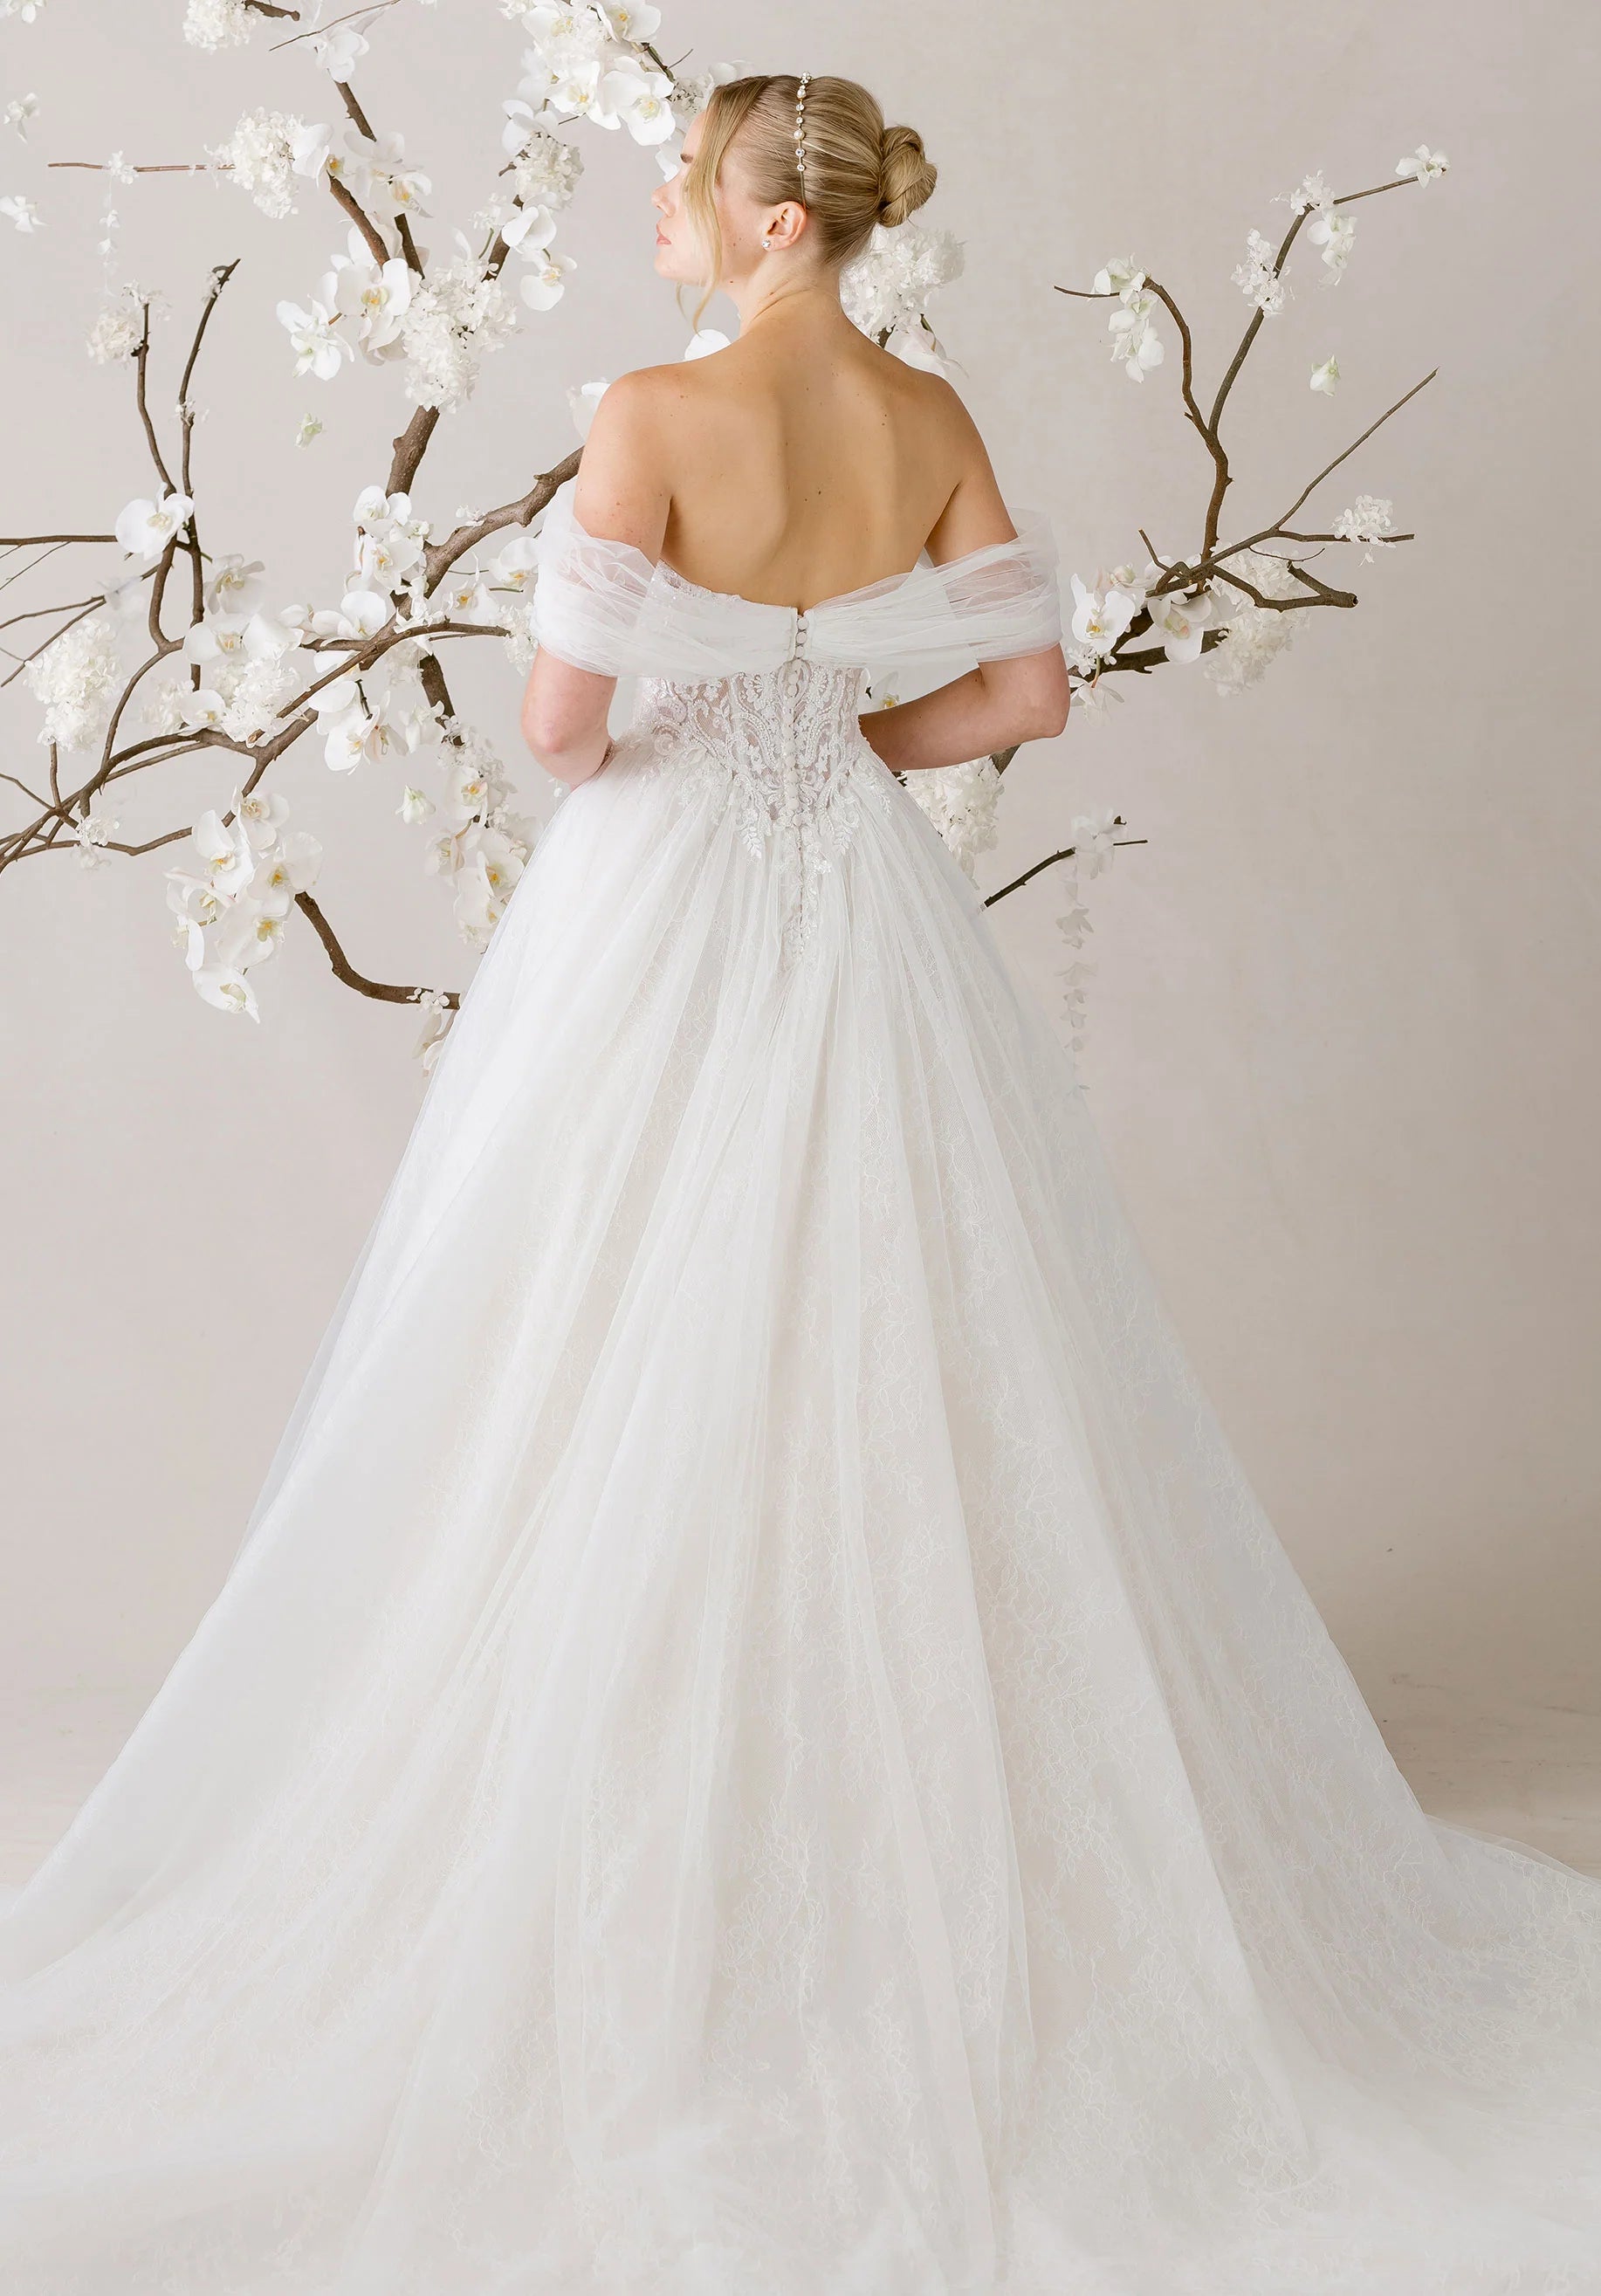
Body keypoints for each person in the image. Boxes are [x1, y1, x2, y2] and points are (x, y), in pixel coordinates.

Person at [2, 67, 1599, 2296]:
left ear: (772, 222)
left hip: (652, 891)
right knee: (906, 1321)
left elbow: (559, 731)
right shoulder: (925, 413)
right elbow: (1026, 692)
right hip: (859, 895)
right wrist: (834, 727)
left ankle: (650, 1829)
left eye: (681, 180)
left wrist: (700, 708)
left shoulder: (648, 412)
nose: (655, 206)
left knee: (582, 1322)